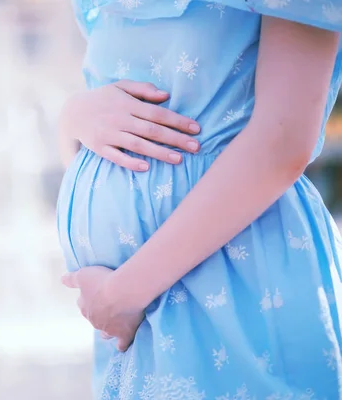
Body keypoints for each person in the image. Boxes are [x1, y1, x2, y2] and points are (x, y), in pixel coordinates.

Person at [56, 1, 342, 398]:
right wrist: (73, 116)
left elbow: (283, 143)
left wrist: (124, 293)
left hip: (231, 280)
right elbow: (113, 140)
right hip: (132, 307)